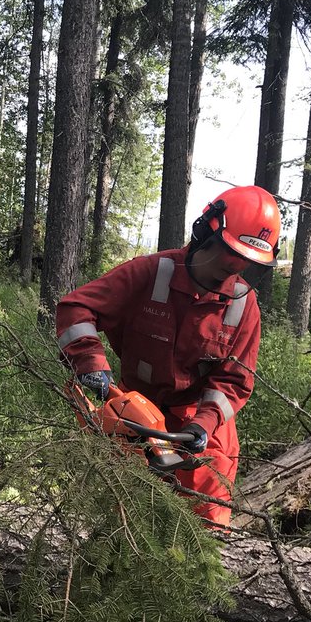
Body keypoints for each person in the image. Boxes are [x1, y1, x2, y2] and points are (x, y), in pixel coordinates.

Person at [55, 185, 281, 528]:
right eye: (231, 254)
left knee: (204, 527)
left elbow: (234, 381)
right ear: (207, 231)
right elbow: (77, 307)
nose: (235, 267)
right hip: (135, 410)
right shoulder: (150, 273)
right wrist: (90, 364)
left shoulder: (242, 304)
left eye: (245, 261)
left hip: (198, 425)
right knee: (124, 519)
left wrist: (202, 425)